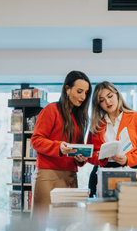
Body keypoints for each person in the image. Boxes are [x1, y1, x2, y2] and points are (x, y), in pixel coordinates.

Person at [31, 70, 92, 222]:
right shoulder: (51, 110)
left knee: (68, 224)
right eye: (79, 91)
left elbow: (78, 147)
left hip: (70, 175)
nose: (83, 97)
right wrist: (59, 147)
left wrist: (81, 158)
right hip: (48, 174)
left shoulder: (81, 118)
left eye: (85, 93)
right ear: (67, 89)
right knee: (41, 222)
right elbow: (36, 140)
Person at [87, 81, 137, 197]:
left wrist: (128, 159)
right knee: (100, 213)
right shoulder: (96, 124)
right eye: (102, 100)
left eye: (110, 96)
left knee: (129, 211)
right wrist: (101, 157)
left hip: (130, 170)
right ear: (98, 104)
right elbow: (89, 153)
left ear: (117, 95)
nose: (107, 102)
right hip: (101, 173)